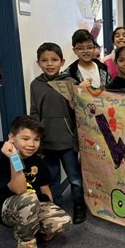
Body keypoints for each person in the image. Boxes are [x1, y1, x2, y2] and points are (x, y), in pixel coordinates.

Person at [0, 116, 72, 248]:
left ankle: (26, 226)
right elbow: (20, 190)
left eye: (36, 139)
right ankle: (26, 243)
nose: (32, 144)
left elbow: (45, 188)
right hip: (7, 207)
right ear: (11, 138)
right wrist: (14, 158)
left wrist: (51, 208)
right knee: (29, 198)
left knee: (63, 221)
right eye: (25, 138)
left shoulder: (38, 161)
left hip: (32, 204)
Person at [30, 42, 87, 224]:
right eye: (44, 60)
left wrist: (76, 102)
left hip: (68, 141)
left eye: (54, 60)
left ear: (62, 61)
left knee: (75, 178)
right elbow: (34, 112)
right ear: (38, 62)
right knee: (52, 178)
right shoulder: (36, 85)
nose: (49, 63)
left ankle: (79, 205)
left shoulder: (70, 83)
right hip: (47, 142)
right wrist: (36, 139)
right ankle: (57, 208)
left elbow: (81, 112)